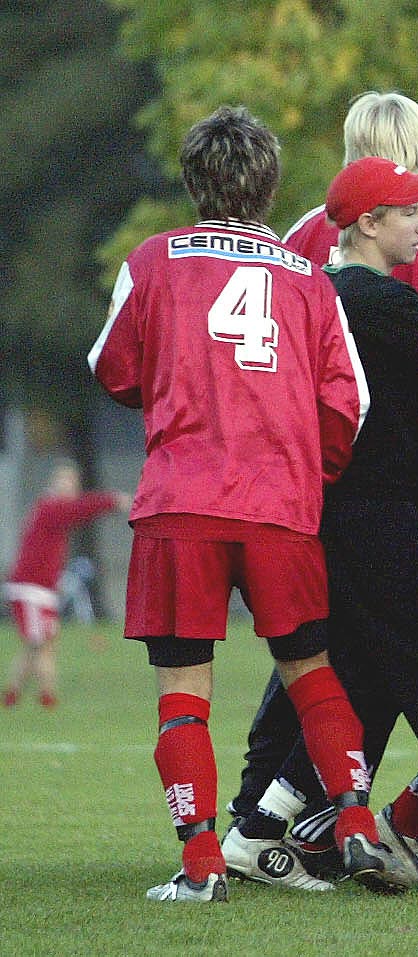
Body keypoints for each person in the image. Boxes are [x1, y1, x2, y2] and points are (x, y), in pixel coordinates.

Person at [88, 105, 392, 902]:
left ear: (193, 180)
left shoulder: (153, 260)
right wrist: (304, 468)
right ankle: (354, 824)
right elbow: (348, 401)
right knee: (312, 672)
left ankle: (200, 869)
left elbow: (112, 367)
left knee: (184, 689)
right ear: (269, 184)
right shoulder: (307, 277)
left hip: (181, 502)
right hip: (279, 506)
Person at [224, 157, 418, 898]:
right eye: (409, 210)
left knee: (360, 678)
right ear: (368, 222)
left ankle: (257, 829)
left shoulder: (316, 292)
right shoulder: (379, 297)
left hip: (321, 511)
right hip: (378, 511)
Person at [3, 462, 128, 708]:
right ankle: (48, 699)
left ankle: (12, 696)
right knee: (42, 644)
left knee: (36, 644)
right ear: (53, 483)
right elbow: (81, 508)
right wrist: (113, 500)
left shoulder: (53, 510)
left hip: (42, 590)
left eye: (72, 483)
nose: (68, 487)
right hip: (31, 590)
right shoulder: (50, 507)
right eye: (63, 481)